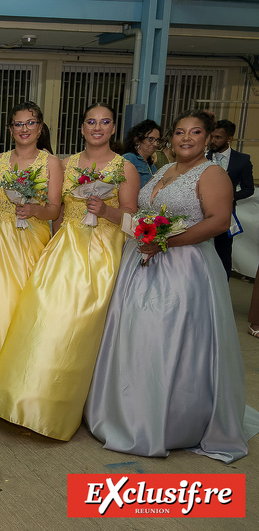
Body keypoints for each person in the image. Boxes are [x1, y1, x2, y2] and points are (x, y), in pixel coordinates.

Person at [85, 109, 259, 463]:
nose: (186, 138)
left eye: (195, 132)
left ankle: (169, 421)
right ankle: (129, 410)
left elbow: (218, 221)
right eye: (179, 132)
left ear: (207, 138)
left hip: (183, 270)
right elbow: (142, 217)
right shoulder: (163, 171)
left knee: (167, 340)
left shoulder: (212, 174)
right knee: (136, 337)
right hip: (142, 262)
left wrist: (166, 242)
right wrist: (108, 213)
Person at [0, 103, 140, 441]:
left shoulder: (125, 167)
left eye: (104, 122)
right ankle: (20, 398)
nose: (97, 127)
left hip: (101, 252)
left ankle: (56, 407)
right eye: (90, 122)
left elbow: (132, 219)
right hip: (63, 247)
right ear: (81, 127)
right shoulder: (66, 164)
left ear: (114, 127)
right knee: (39, 313)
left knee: (75, 324)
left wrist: (106, 210)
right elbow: (58, 212)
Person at [0, 102, 64, 353]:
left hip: (30, 240)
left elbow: (54, 209)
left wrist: (34, 210)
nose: (24, 129)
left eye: (30, 123)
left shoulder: (51, 162)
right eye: (18, 124)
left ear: (40, 128)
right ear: (10, 130)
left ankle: (19, 355)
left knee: (24, 301)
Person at [208, 119, 254, 278]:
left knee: (223, 255)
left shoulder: (242, 160)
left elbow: (248, 188)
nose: (213, 141)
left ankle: (223, 288)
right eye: (211, 136)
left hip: (226, 215)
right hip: (200, 213)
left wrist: (230, 196)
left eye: (218, 137)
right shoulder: (202, 156)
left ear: (229, 138)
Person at [121, 119, 161, 188]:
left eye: (157, 140)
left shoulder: (151, 165)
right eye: (151, 139)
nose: (155, 144)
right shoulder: (128, 159)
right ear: (137, 140)